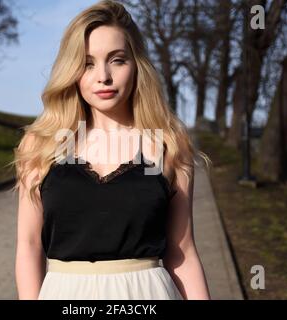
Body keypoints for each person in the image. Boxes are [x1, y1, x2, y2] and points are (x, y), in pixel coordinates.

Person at [12, 0, 211, 300]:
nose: (103, 76)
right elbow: (29, 247)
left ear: (136, 64)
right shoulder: (41, 145)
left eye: (117, 60)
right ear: (72, 70)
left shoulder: (168, 144)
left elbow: (182, 253)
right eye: (88, 63)